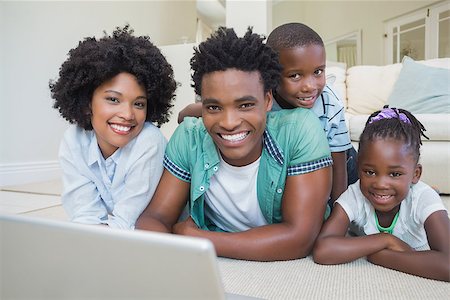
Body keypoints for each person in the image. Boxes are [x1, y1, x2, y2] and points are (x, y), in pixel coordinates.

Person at [136, 27, 333, 261]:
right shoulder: (189, 136)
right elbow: (155, 218)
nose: (229, 123)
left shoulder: (300, 129)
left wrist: (198, 239)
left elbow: (299, 239)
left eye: (245, 105)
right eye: (214, 107)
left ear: (267, 100)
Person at [178, 23, 357, 205]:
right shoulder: (263, 98)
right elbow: (186, 114)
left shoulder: (330, 103)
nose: (310, 86)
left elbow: (339, 165)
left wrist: (337, 214)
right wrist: (204, 110)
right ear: (273, 76)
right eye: (295, 76)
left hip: (342, 160)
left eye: (318, 72)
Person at [50, 25, 176, 229]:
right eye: (113, 99)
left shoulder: (149, 141)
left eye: (139, 104)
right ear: (87, 101)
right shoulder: (73, 140)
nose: (127, 115)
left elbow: (128, 220)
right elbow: (83, 212)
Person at [313, 107, 450, 282]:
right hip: (380, 230)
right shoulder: (355, 193)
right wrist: (386, 240)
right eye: (370, 172)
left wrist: (380, 257)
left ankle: (432, 191)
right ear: (358, 166)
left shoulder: (423, 198)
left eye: (394, 174)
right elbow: (323, 249)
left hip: (420, 197)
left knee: (430, 199)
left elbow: (447, 265)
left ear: (416, 174)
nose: (380, 184)